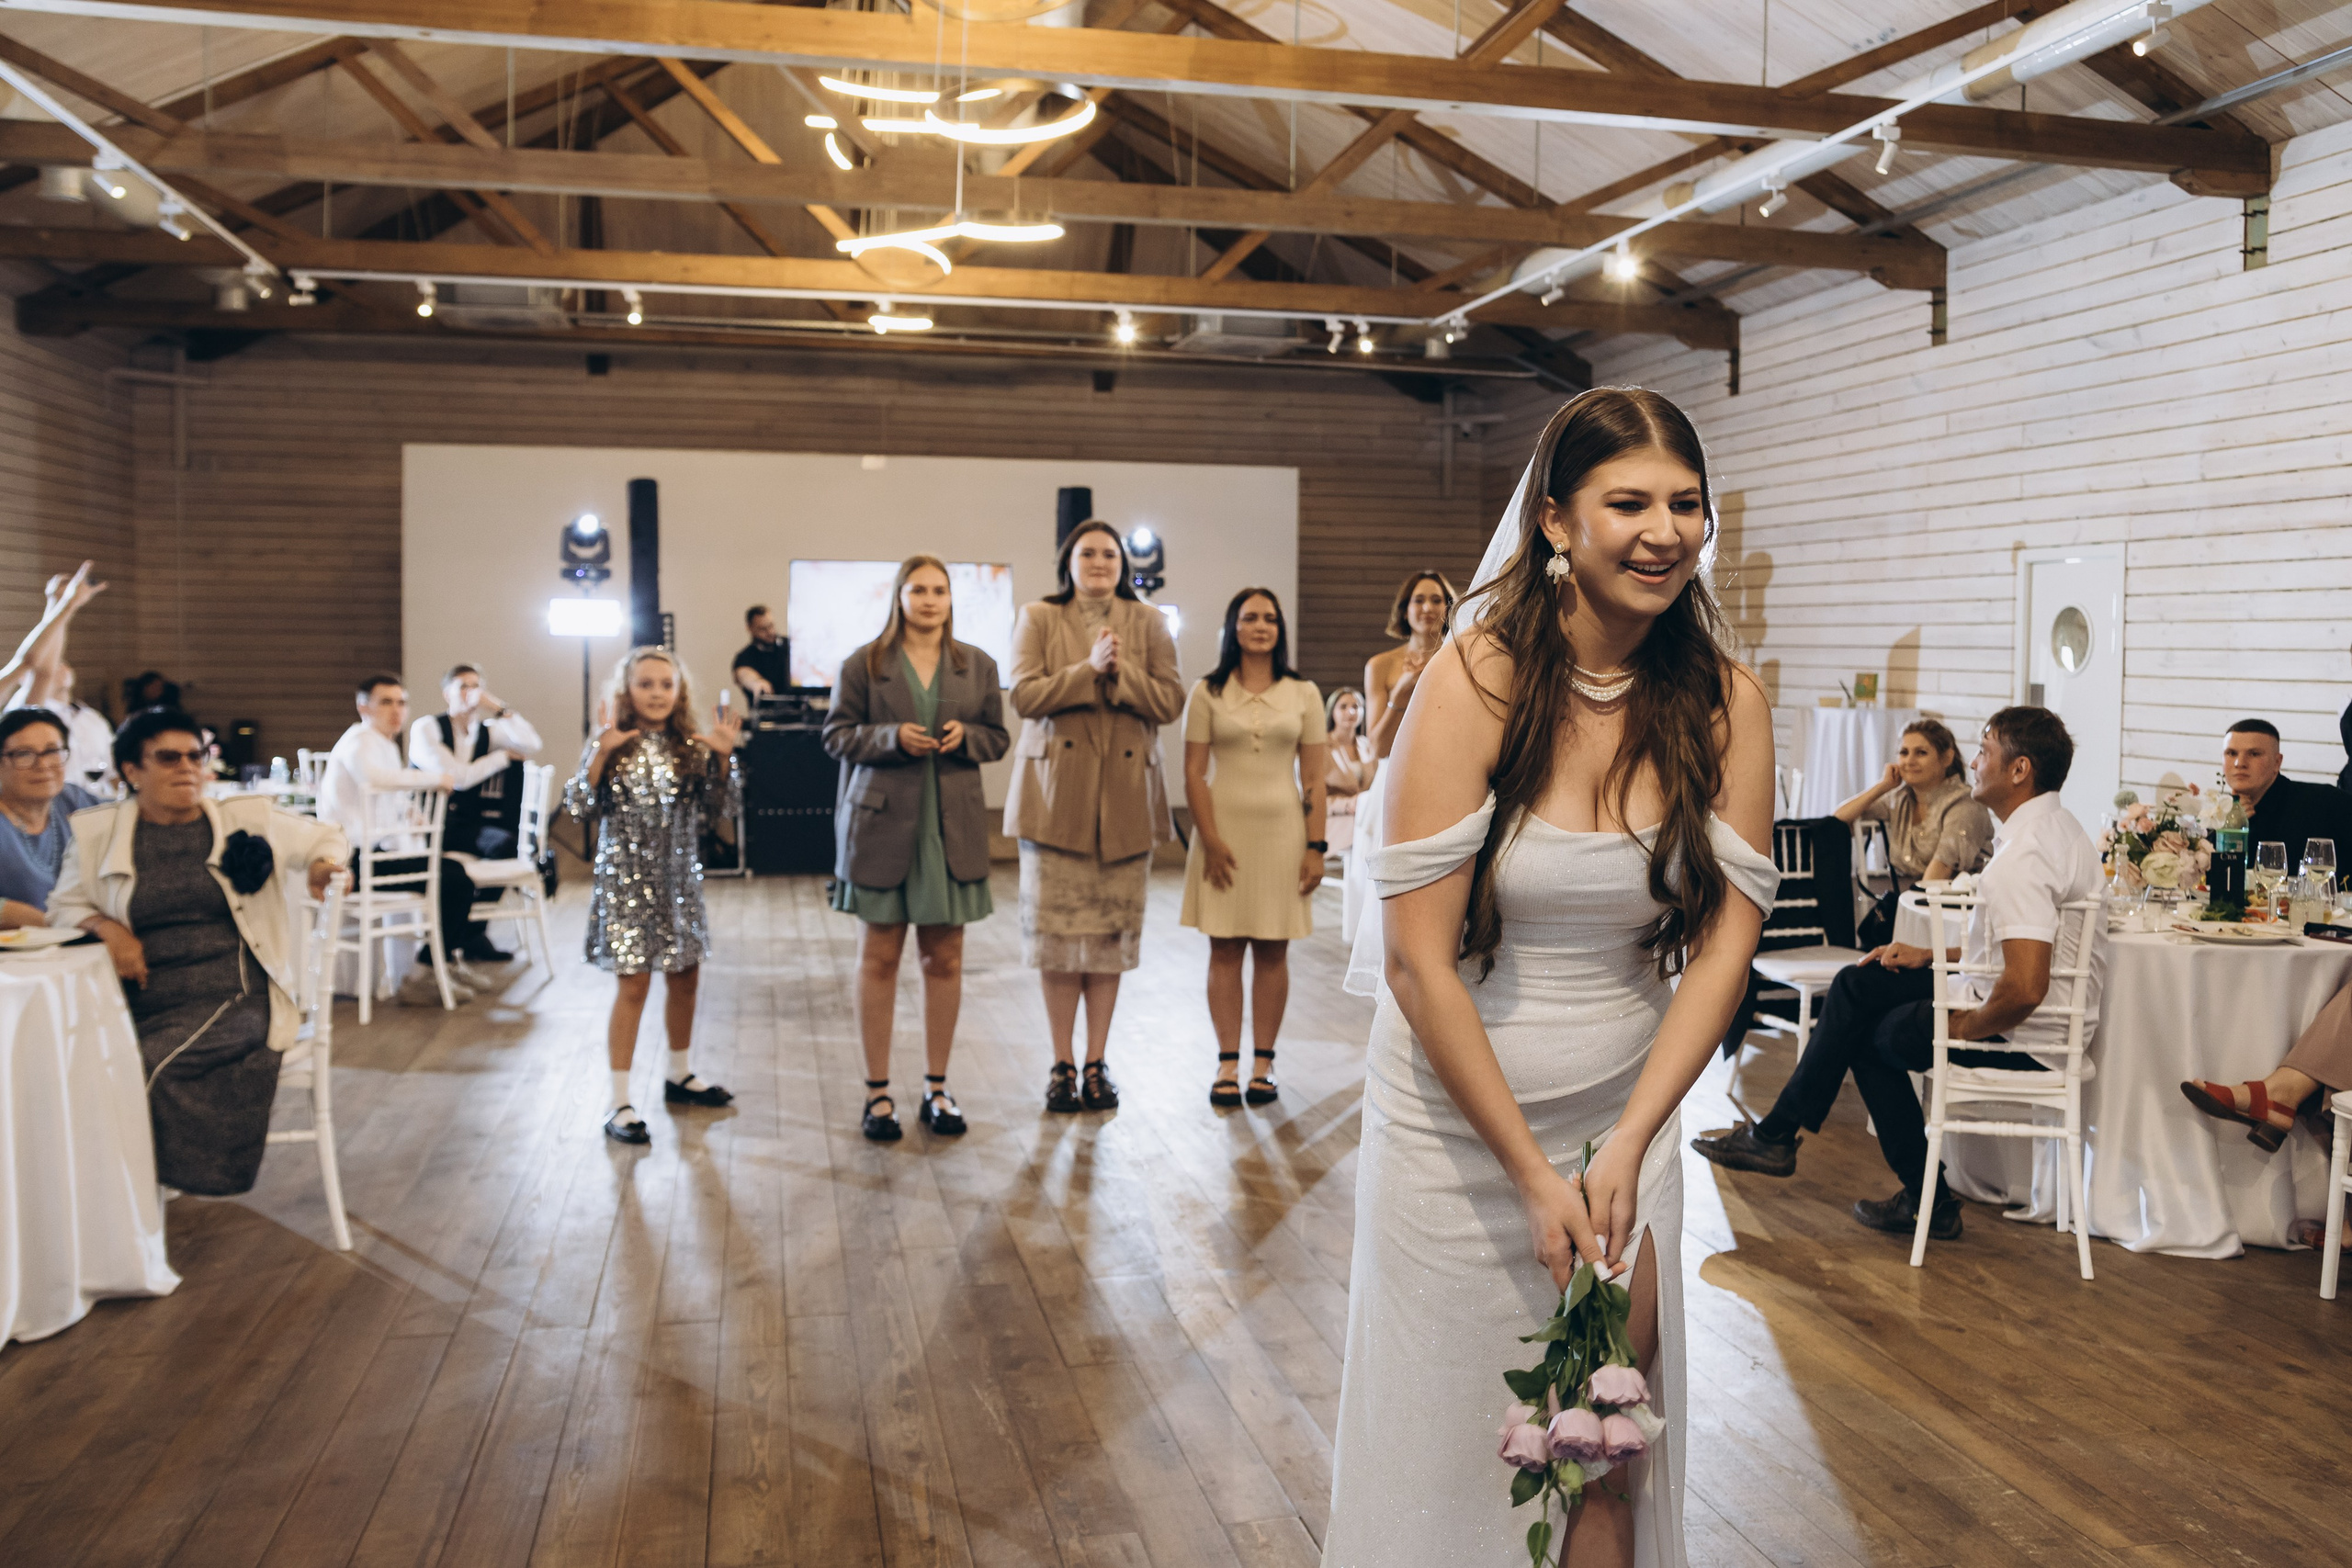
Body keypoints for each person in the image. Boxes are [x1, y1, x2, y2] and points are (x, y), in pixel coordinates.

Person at [1322, 389, 1777, 1568]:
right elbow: (1420, 963)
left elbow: (1725, 943)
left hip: (1623, 1126)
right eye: (1627, 502)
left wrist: (1628, 1142)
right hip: (1455, 1134)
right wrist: (1528, 1172)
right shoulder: (1476, 678)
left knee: (1600, 1456)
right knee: (1440, 1452)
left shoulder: (1728, 701)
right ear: (1556, 524)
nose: (1662, 531)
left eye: (1685, 505)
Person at [1693, 705, 2106, 1242]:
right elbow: (2020, 951)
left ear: (2019, 770)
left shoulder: (2025, 855)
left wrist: (1959, 1028)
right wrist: (1932, 956)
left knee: (1868, 1039)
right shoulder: (2058, 828)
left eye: (1984, 751)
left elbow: (2026, 986)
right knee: (1858, 983)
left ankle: (1921, 1197)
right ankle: (1779, 1136)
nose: (1975, 762)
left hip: (2021, 1032)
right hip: (2017, 1006)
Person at [49, 707, 346, 1196]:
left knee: (146, 1065)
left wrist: (324, 865)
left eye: (195, 756)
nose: (187, 768)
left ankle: (135, 1202)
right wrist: (107, 928)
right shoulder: (98, 832)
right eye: (168, 758)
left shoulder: (245, 818)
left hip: (236, 990)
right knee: (80, 1068)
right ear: (131, 771)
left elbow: (327, 837)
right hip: (139, 994)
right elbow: (61, 906)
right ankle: (111, 1213)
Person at [823, 556, 1009, 1143]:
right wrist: (889, 737)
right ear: (899, 597)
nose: (930, 600)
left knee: (945, 960)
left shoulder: (977, 666)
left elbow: (997, 737)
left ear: (952, 599)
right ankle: (877, 1095)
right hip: (882, 828)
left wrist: (968, 738)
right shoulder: (865, 663)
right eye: (918, 590)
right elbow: (835, 736)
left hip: (950, 828)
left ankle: (937, 1088)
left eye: (939, 590)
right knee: (879, 959)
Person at [1003, 519, 1184, 1114]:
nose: (1100, 560)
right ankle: (1061, 1063)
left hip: (1126, 797)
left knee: (1109, 940)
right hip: (1056, 796)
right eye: (1088, 552)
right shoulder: (1038, 617)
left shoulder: (1150, 622)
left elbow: (1168, 701)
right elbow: (1025, 696)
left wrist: (1120, 672)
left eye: (1110, 552)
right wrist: (1087, 669)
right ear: (1069, 561)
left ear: (1122, 563)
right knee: (1058, 943)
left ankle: (1097, 1062)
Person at [567, 646, 742, 1145]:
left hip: (679, 882)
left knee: (686, 978)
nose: (658, 693)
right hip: (624, 884)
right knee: (634, 988)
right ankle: (620, 1100)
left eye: (666, 684)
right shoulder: (610, 743)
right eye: (646, 684)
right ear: (627, 691)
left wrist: (725, 757)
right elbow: (577, 806)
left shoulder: (692, 745)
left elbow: (725, 806)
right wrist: (600, 753)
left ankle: (680, 1074)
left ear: (679, 691)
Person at [1181, 587, 1328, 1109]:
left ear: (1279, 627)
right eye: (1249, 617)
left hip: (1285, 835)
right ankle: (1226, 1064)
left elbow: (1314, 777)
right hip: (1223, 833)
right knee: (1223, 947)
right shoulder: (1207, 692)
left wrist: (1316, 846)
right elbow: (1194, 773)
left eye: (1269, 617)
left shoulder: (1303, 692)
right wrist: (1211, 840)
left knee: (1272, 947)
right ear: (1232, 627)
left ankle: (1263, 1064)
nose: (1260, 625)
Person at [319, 673, 480, 1004]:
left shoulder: (383, 743)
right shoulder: (360, 739)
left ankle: (438, 964)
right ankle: (426, 971)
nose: (396, 710)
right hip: (353, 863)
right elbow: (373, 779)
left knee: (453, 876)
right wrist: (434, 778)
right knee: (454, 879)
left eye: (402, 702)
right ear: (363, 706)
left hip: (373, 855)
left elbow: (387, 793)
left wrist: (408, 810)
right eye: (386, 702)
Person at [1345, 570, 1455, 948]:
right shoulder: (1382, 665)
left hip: (1451, 779)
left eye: (1436, 599)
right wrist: (1402, 693)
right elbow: (1376, 746)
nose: (1428, 608)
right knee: (1392, 902)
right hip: (1397, 780)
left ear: (1448, 605)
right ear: (1404, 609)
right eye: (1419, 600)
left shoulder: (1462, 656)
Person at [409, 663, 544, 962]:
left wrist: (498, 708)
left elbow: (532, 743)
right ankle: (449, 939)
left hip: (464, 828)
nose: (471, 693)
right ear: (447, 693)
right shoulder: (427, 728)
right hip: (428, 827)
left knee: (506, 844)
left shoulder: (486, 731)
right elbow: (457, 778)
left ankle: (472, 934)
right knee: (459, 875)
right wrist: (499, 759)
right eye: (463, 686)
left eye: (476, 686)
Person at [0, 708, 100, 928]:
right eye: (24, 754)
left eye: (52, 751)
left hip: (83, 943)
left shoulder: (74, 800)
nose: (43, 765)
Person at [2222, 718, 2352, 876]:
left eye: (2254, 754)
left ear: (2277, 762)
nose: (2239, 763)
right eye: (2231, 753)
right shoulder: (2218, 818)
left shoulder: (2325, 803)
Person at [1322, 686, 1375, 854]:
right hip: (1335, 819)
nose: (1351, 711)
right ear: (1332, 712)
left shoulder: (1367, 745)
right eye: (1343, 707)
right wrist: (1347, 805)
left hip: (1365, 817)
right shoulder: (1321, 747)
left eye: (1356, 706)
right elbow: (1311, 796)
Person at [732, 604, 794, 699]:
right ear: (750, 628)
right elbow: (743, 674)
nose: (770, 632)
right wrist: (757, 682)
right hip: (766, 711)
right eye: (763, 629)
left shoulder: (791, 646)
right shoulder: (745, 656)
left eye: (771, 626)